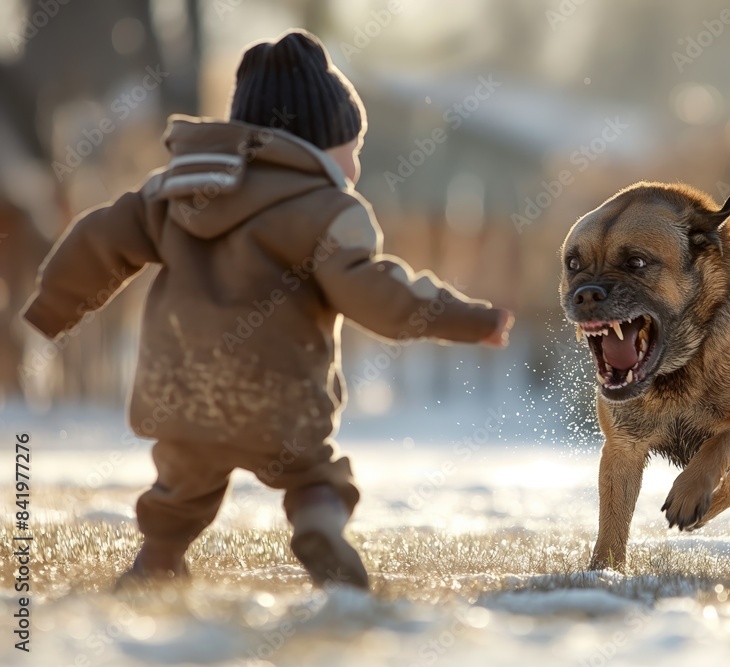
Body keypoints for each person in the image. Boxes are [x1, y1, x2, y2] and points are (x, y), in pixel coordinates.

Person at [22, 29, 513, 589]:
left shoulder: (177, 193)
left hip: (180, 394)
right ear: (320, 142)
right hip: (276, 394)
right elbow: (380, 295)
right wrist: (470, 319)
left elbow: (100, 237)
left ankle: (158, 560)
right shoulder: (327, 211)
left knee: (182, 487)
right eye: (351, 149)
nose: (353, 167)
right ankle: (318, 527)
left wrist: (53, 309)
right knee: (313, 475)